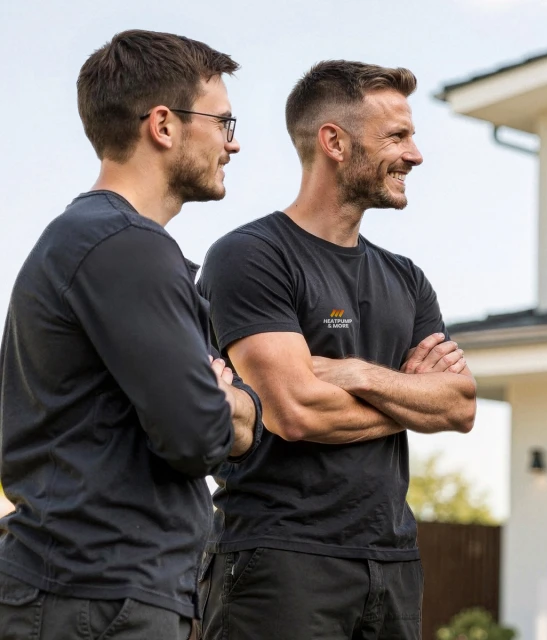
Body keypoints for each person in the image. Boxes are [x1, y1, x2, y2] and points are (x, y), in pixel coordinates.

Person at [195, 60, 477, 640]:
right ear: (334, 142)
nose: (415, 155)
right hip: (281, 559)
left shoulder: (407, 278)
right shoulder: (251, 257)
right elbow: (296, 412)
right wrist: (407, 395)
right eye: (397, 136)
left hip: (394, 562)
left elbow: (460, 407)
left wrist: (354, 373)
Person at [0, 30, 258, 639]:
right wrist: (236, 401)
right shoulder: (127, 247)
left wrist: (229, 399)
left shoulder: (96, 241)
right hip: (95, 599)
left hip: (90, 593)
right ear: (164, 126)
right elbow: (198, 437)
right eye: (223, 122)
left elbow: (216, 421)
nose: (234, 142)